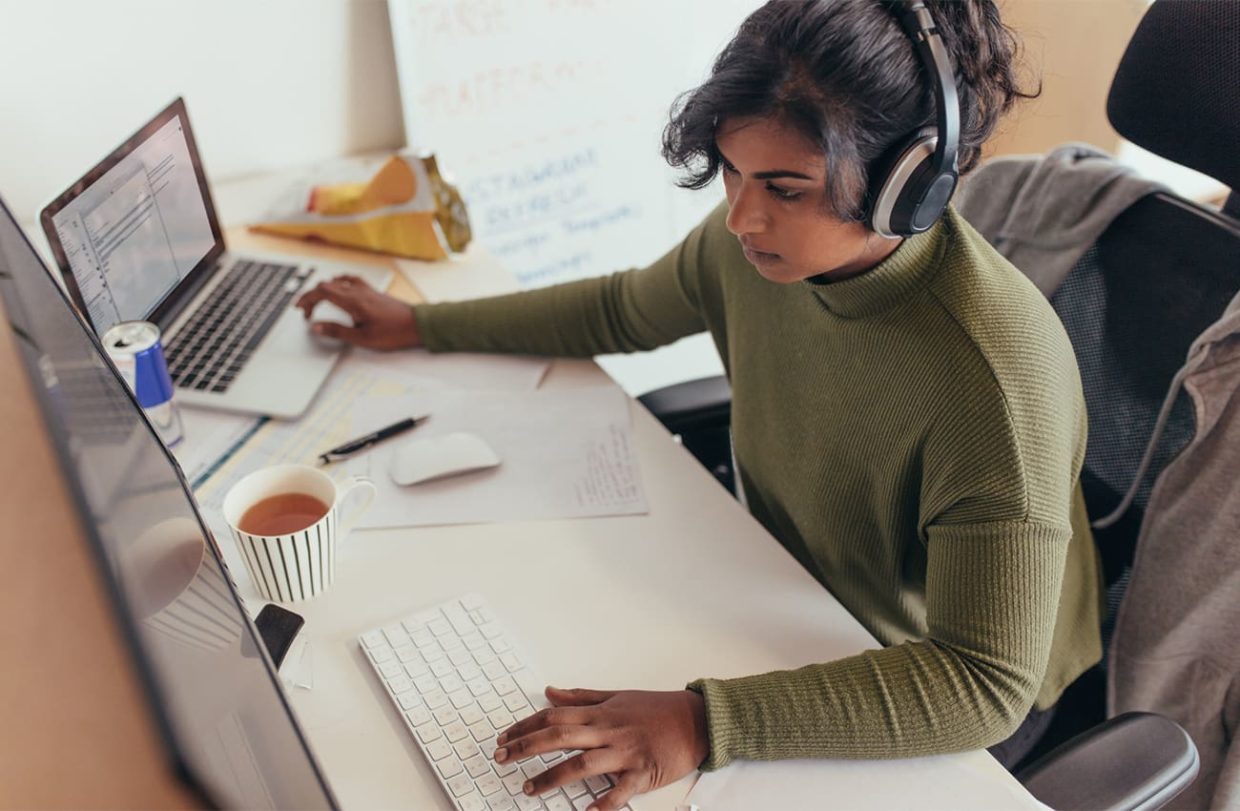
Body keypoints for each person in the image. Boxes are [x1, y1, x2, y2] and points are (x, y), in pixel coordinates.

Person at [297, 1, 1103, 808]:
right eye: (732, 170)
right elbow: (621, 309)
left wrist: (704, 721)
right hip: (781, 585)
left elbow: (983, 680)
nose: (741, 217)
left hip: (919, 675)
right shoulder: (752, 248)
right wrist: (422, 324)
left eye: (785, 189)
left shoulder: (994, 382)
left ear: (909, 186)